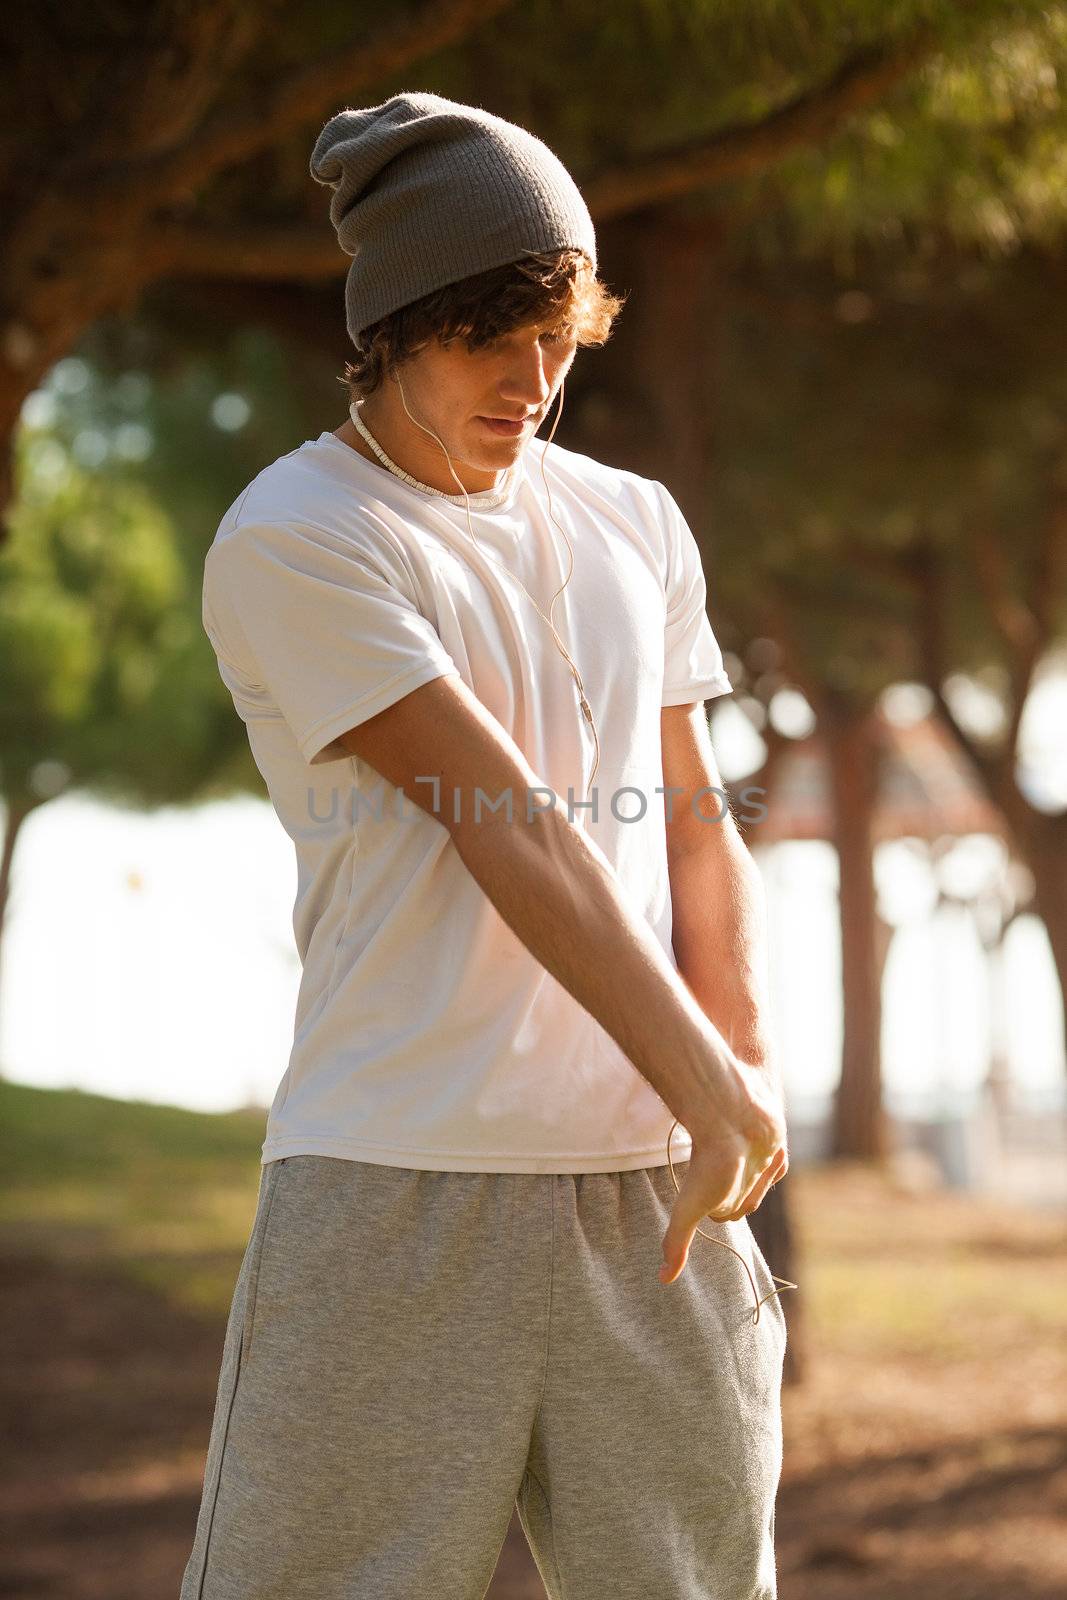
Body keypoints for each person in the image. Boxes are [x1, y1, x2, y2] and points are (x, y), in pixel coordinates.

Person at [180, 90, 789, 1600]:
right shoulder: (299, 534)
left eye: (559, 333)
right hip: (394, 1187)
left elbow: (700, 824)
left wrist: (745, 1070)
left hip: (655, 1200)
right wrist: (703, 1075)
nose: (534, 380)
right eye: (488, 338)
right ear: (393, 324)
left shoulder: (635, 523)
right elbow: (506, 824)